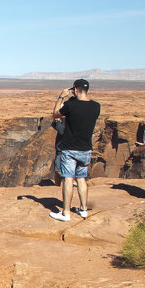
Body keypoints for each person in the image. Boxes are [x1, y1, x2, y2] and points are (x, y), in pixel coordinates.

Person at [49, 78, 100, 221]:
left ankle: (65, 213)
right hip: (86, 149)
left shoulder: (71, 105)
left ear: (75, 90)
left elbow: (55, 114)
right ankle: (83, 210)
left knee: (68, 179)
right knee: (82, 179)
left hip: (70, 148)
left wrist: (61, 96)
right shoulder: (96, 106)